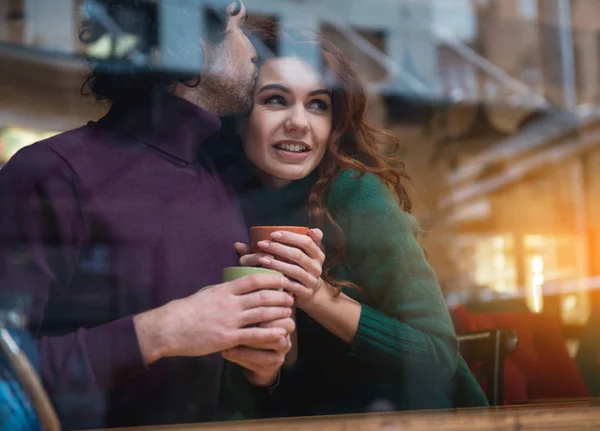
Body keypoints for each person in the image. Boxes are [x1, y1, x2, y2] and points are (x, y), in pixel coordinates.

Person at [0, 1, 315, 428]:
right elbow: (6, 377)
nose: (252, 48)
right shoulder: (51, 172)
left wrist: (261, 369)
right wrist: (157, 334)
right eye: (238, 28)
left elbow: (221, 385)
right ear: (198, 48)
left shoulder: (217, 179)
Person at [210, 34, 489, 417]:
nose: (298, 123)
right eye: (275, 100)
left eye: (318, 105)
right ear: (240, 115)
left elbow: (437, 356)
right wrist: (267, 364)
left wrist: (315, 295)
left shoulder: (354, 196)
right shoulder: (221, 205)